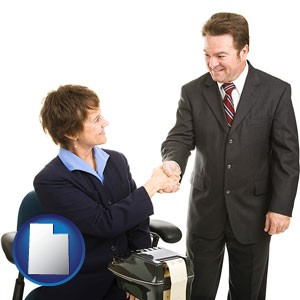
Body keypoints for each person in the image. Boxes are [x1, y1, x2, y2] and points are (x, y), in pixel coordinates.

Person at [161, 12, 299, 300]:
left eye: (221, 55)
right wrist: (172, 163)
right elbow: (180, 137)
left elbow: (287, 155)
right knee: (196, 292)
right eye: (207, 55)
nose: (212, 64)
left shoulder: (276, 91)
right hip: (205, 211)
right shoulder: (193, 91)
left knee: (248, 293)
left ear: (244, 50)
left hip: (254, 214)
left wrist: (282, 206)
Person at [33, 84, 180, 300]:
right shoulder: (51, 180)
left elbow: (137, 223)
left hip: (124, 276)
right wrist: (153, 185)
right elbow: (104, 223)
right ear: (71, 132)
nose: (105, 123)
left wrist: (140, 278)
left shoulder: (116, 161)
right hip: (83, 283)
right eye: (96, 120)